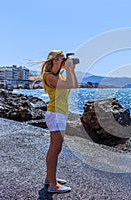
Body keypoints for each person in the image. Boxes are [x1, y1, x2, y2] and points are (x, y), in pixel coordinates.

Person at [41, 50, 78, 193]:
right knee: (55, 148)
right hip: (55, 114)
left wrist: (71, 70)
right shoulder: (49, 77)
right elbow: (68, 85)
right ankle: (53, 185)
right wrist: (68, 69)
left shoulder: (59, 75)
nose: (65, 60)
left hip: (59, 113)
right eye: (62, 58)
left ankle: (50, 178)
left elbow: (73, 85)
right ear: (55, 61)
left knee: (56, 148)